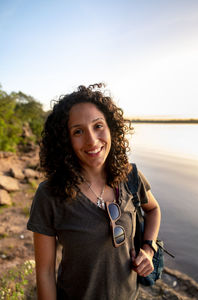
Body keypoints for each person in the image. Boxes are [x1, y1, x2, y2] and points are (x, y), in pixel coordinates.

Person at [27, 83, 161, 300]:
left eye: (98, 126)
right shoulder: (50, 194)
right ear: (65, 140)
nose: (91, 140)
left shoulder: (129, 175)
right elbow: (44, 273)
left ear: (111, 128)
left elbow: (153, 210)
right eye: (78, 131)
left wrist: (148, 247)